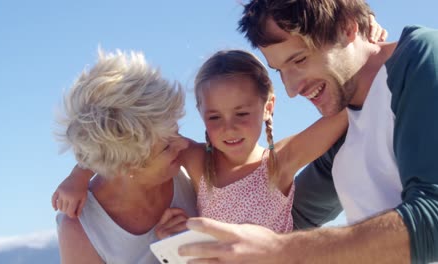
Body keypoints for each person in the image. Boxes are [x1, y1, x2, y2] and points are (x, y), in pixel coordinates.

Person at [177, 0, 438, 263]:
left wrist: (279, 250)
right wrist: (187, 233)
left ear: (347, 27)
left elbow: (433, 219)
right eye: (280, 71)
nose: (291, 89)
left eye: (299, 59)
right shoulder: (341, 138)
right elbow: (286, 221)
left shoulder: (421, 57)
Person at [55, 49, 348, 239]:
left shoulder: (279, 161)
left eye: (242, 113)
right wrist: (78, 176)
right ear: (200, 114)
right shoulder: (198, 161)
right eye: (214, 116)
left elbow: (344, 114)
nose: (229, 127)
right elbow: (122, 140)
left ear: (268, 106)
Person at [54, 50, 197, 264]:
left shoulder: (191, 167)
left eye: (176, 130)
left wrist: (79, 174)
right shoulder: (81, 229)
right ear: (127, 165)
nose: (184, 144)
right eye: (166, 146)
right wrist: (171, 255)